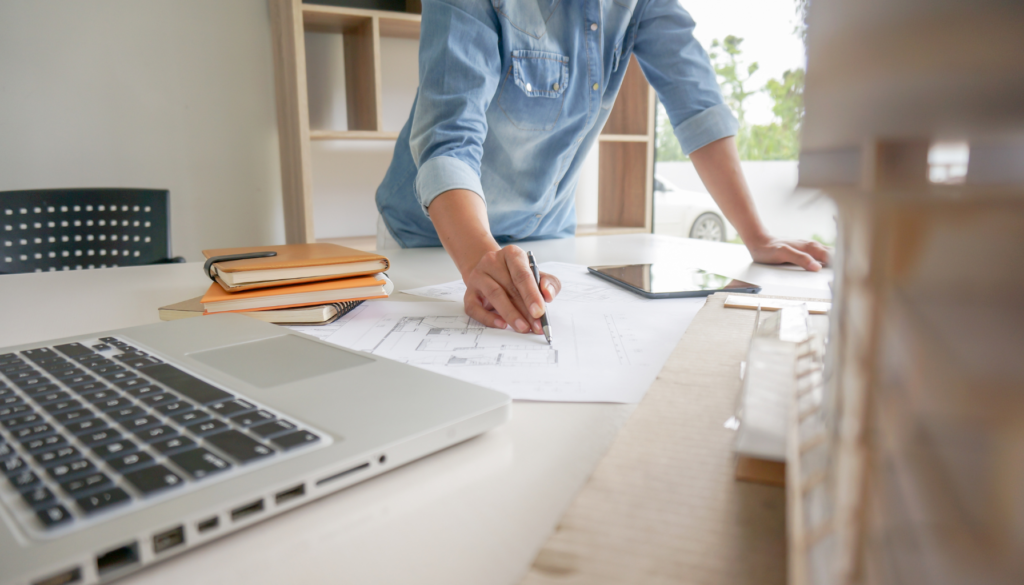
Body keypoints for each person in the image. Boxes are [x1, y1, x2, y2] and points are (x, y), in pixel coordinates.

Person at [375, 0, 830, 337]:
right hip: (435, 236)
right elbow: (448, 139)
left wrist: (757, 235)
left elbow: (698, 105)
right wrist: (478, 259)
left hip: (544, 236)